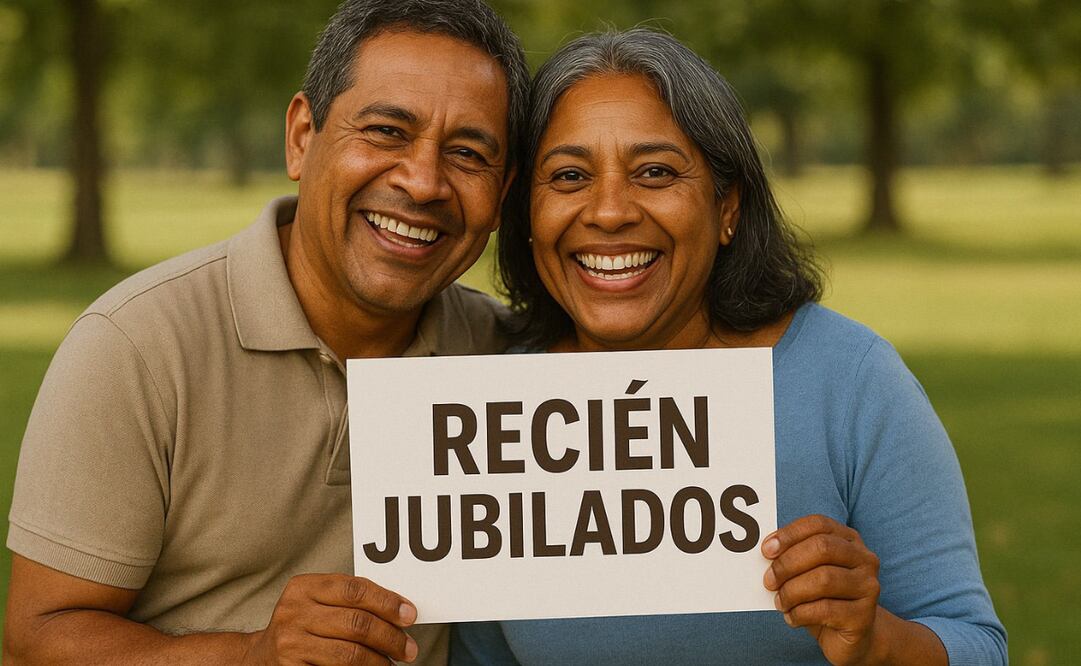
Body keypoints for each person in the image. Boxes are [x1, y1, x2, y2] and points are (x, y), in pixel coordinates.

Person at [452, 29, 1006, 665]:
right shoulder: (491, 409)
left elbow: (977, 645)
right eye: (569, 175)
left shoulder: (848, 381)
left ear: (727, 208)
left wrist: (878, 640)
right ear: (527, 212)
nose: (608, 212)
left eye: (655, 172)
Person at [3, 1, 528, 663]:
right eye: (387, 131)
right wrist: (253, 653)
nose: (423, 182)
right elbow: (36, 639)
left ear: (502, 196)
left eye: (467, 154)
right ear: (302, 137)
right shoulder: (137, 345)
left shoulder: (507, 361)